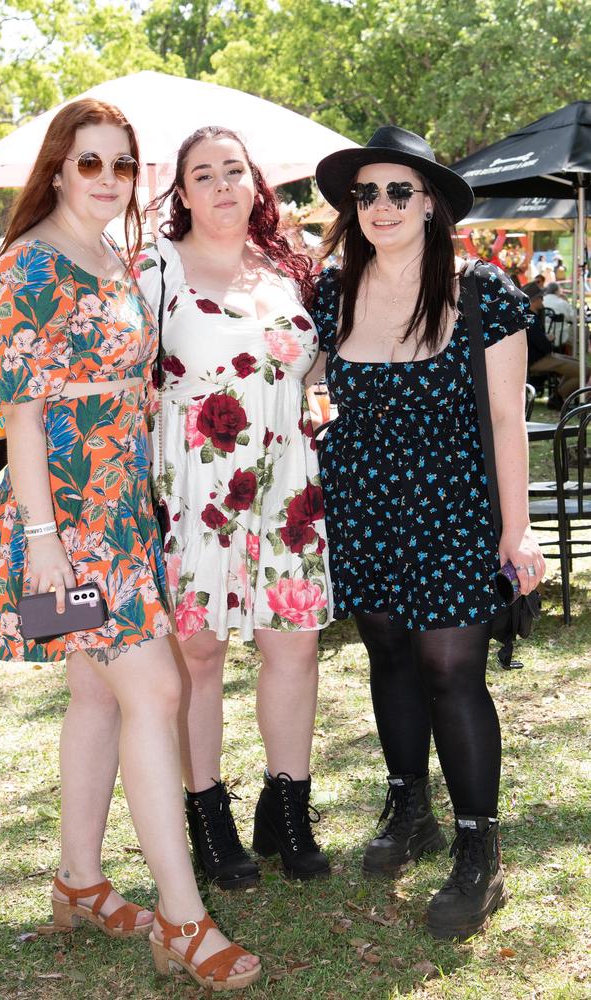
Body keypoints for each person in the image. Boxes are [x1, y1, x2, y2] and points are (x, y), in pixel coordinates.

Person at [0, 99, 260, 991]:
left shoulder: (120, 260)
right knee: (158, 688)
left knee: (96, 695)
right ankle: (182, 916)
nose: (106, 180)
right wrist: (46, 541)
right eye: (89, 163)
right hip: (68, 519)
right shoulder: (28, 266)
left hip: (122, 508)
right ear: (58, 169)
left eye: (122, 165)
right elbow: (19, 409)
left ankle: (80, 882)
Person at [306, 124, 545, 940]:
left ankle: (480, 850)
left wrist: (520, 532)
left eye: (398, 190)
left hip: (454, 508)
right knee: (390, 656)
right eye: (365, 193)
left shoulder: (482, 292)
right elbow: (284, 374)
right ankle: (411, 805)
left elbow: (510, 421)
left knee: (452, 670)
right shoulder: (329, 293)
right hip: (363, 505)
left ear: (432, 202)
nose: (381, 205)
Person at [137, 126, 332, 888]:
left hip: (288, 475)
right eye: (204, 174)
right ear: (181, 192)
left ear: (258, 186)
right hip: (198, 481)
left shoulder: (288, 267)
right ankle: (207, 810)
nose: (222, 185)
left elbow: (311, 362)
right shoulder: (156, 269)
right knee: (202, 654)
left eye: (235, 172)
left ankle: (288, 810)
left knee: (295, 644)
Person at [523, 280, 581, 405]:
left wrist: (544, 338)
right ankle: (558, 396)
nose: (543, 300)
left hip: (541, 357)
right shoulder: (530, 319)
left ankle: (558, 394)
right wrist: (547, 339)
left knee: (579, 365)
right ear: (534, 300)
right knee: (583, 371)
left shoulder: (530, 316)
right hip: (538, 360)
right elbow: (545, 347)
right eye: (541, 298)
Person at [542, 280, 575, 347]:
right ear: (557, 290)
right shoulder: (562, 302)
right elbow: (572, 318)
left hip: (543, 335)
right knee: (574, 333)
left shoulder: (542, 301)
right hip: (561, 335)